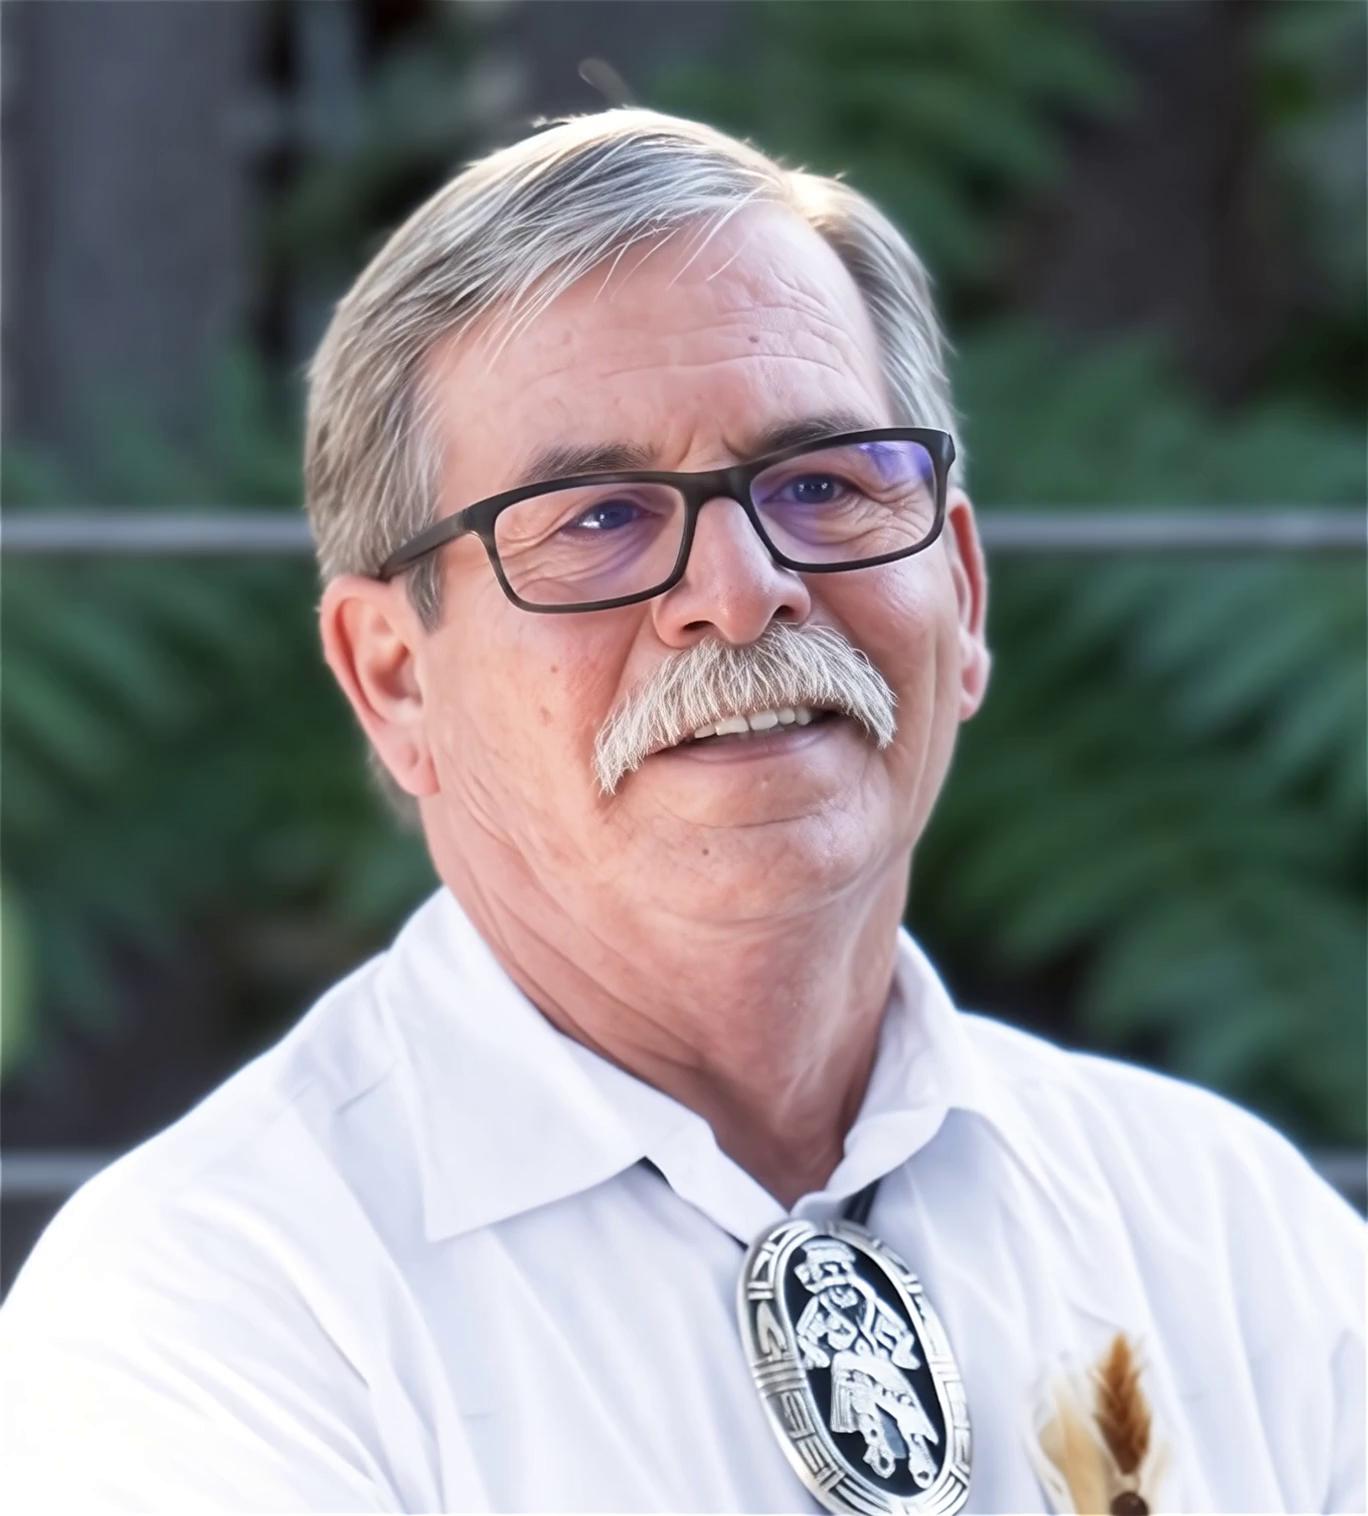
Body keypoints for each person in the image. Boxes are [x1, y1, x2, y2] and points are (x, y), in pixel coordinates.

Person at [1, 109, 1362, 1515]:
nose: (742, 587)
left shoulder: (1233, 1235)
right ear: (395, 679)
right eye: (597, 519)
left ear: (960, 592)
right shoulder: (224, 1311)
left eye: (825, 485)